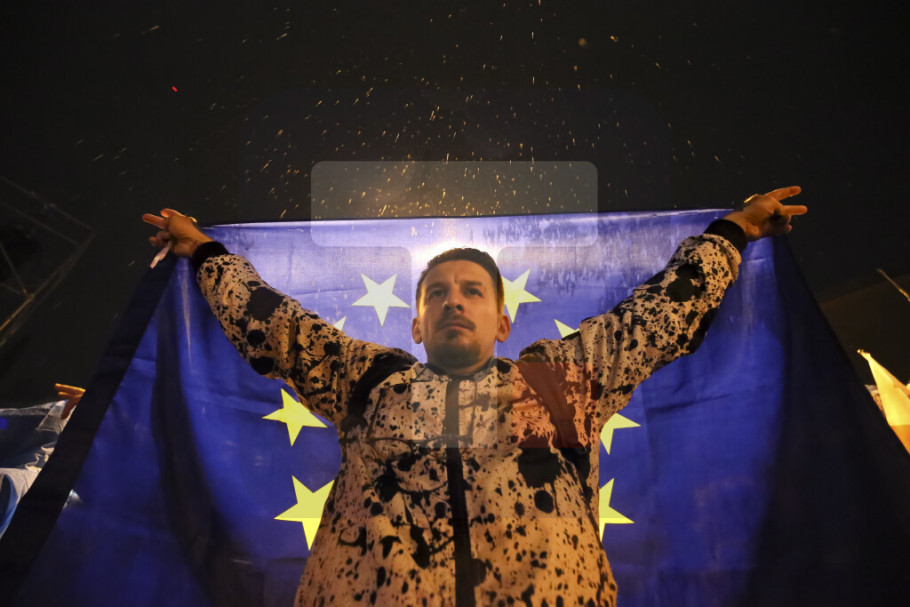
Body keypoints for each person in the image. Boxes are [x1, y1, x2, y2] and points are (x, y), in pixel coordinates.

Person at [143, 187, 806, 607]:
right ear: (416, 325)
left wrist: (732, 231)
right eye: (437, 293)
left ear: (502, 322)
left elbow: (660, 312)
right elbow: (276, 325)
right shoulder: (370, 381)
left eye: (472, 292)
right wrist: (205, 252)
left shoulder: (557, 381)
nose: (453, 302)